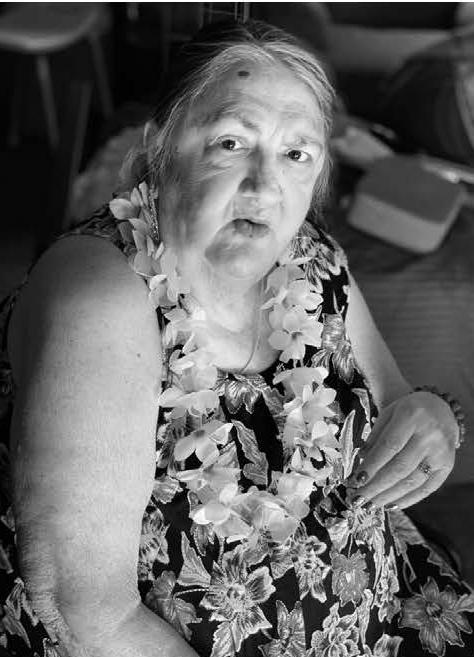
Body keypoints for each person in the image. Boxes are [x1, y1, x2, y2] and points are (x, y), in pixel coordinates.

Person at [0, 18, 472, 657]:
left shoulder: (314, 259)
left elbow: (399, 401)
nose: (266, 186)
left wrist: (439, 417)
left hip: (387, 613)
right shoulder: (99, 298)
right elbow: (87, 613)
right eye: (231, 142)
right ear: (159, 150)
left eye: (297, 154)